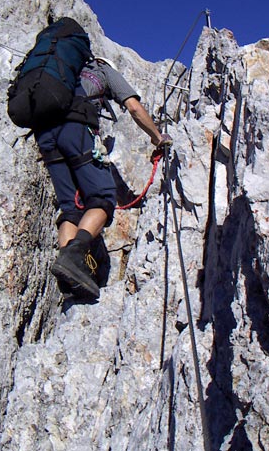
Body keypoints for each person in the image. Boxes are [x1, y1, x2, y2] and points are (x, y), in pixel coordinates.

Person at [35, 55, 172, 301]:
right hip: (74, 129)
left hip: (45, 134)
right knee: (103, 198)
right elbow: (133, 107)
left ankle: (69, 277)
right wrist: (156, 136)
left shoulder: (64, 72)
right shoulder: (104, 70)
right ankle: (74, 257)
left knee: (71, 208)